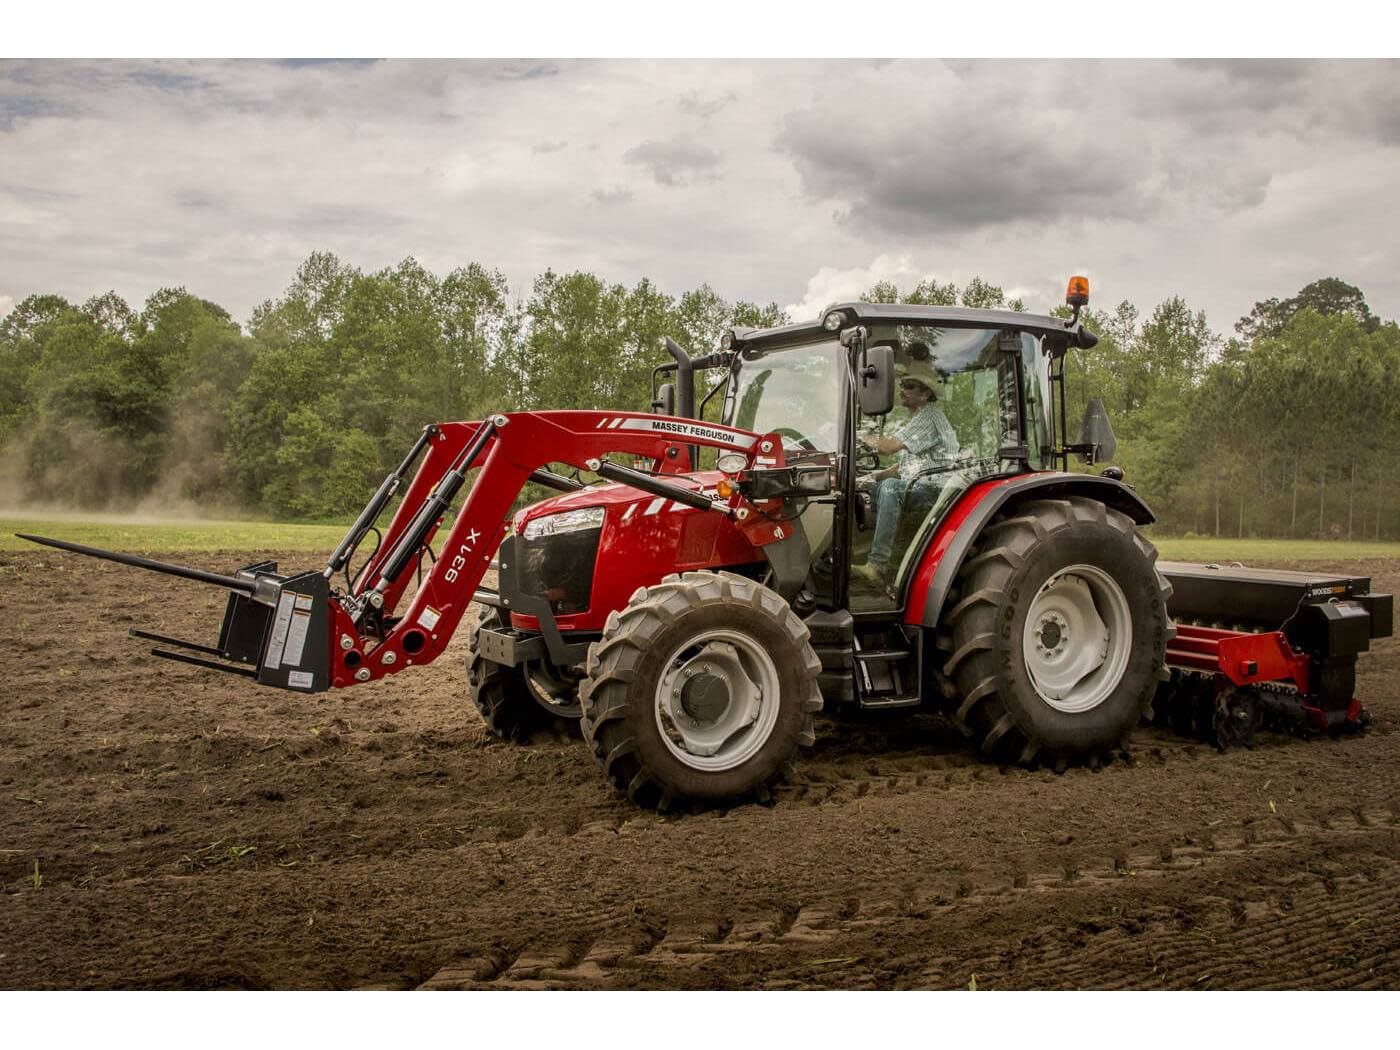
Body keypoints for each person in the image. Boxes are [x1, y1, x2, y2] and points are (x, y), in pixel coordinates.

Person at [856, 355, 959, 582]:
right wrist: (870, 477)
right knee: (861, 489)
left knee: (891, 488)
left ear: (925, 394)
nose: (902, 390)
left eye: (909, 386)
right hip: (921, 484)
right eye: (902, 385)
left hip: (937, 490)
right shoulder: (916, 420)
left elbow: (889, 447)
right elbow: (905, 466)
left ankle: (877, 564)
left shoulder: (928, 415)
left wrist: (860, 436)